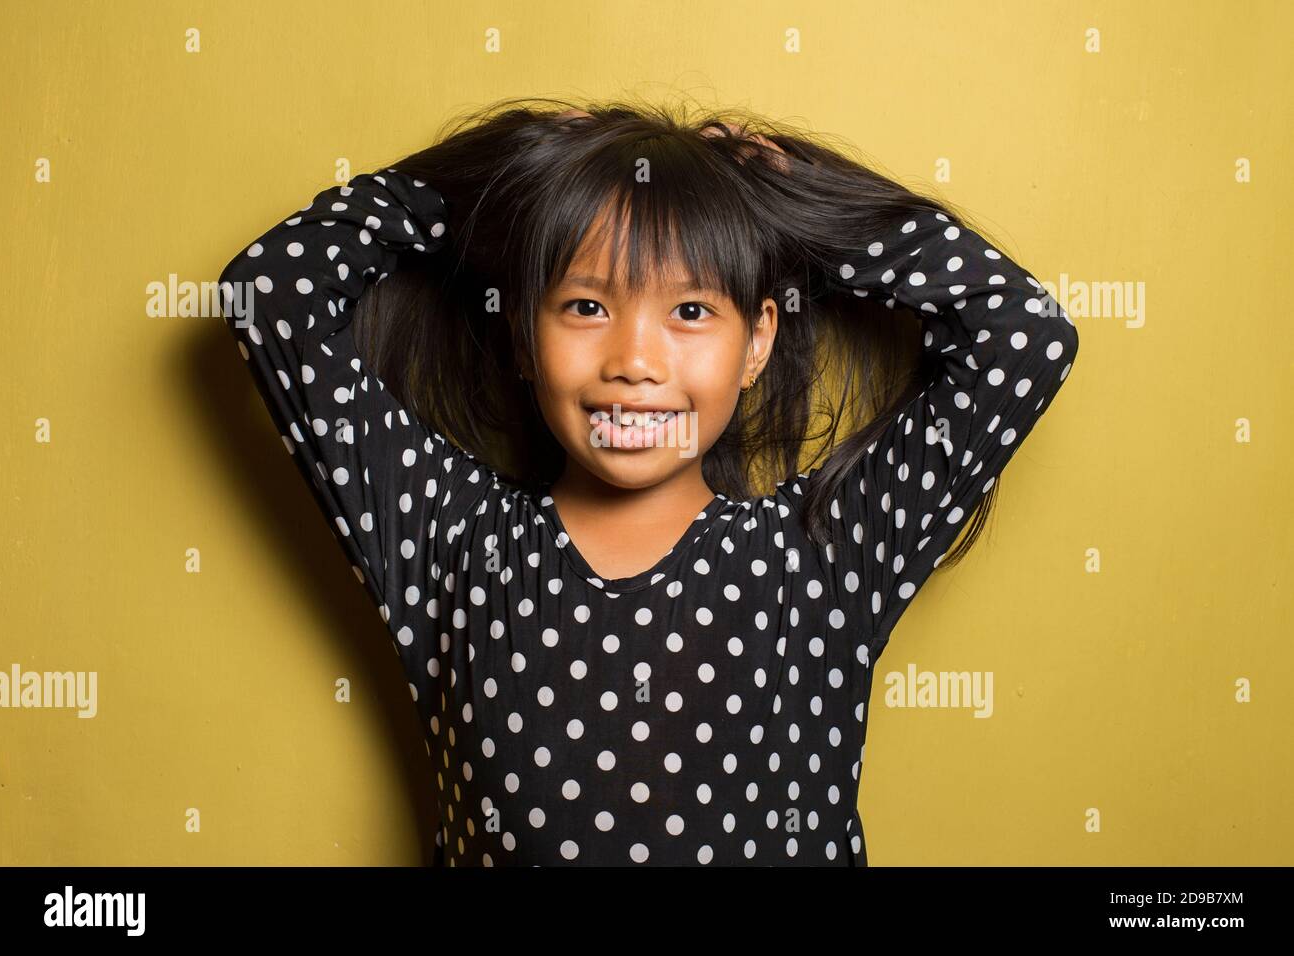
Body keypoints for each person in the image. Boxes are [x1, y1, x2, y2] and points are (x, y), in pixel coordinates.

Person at [216, 99, 1079, 865]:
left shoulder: (823, 555)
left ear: (758, 342)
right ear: (521, 337)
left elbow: (1024, 336)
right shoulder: (450, 542)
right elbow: (271, 289)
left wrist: (798, 198)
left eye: (691, 311)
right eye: (586, 307)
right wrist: (508, 169)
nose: (634, 362)